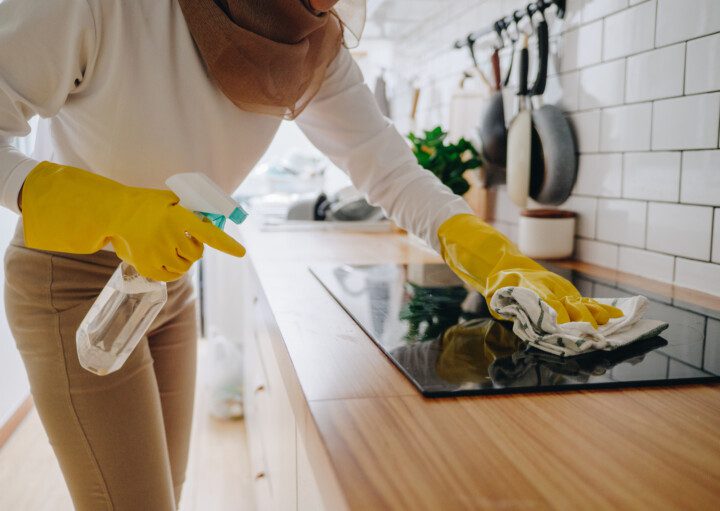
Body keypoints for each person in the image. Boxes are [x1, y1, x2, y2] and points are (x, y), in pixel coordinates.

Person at [0, 0, 622, 509]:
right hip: (71, 283)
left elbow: (392, 174)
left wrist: (494, 255)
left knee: (166, 492)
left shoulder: (311, 42)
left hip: (165, 281)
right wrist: (105, 208)